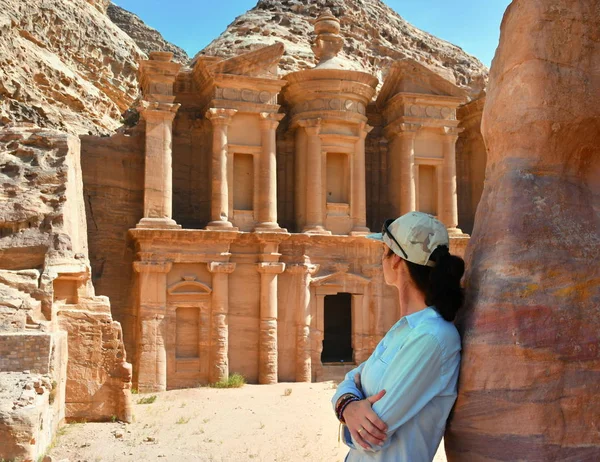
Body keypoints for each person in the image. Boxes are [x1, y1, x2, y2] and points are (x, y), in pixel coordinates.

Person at [332, 211, 465, 462]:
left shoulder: (433, 338)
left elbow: (370, 434)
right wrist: (348, 405)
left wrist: (348, 410)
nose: (381, 259)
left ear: (396, 260)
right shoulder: (405, 329)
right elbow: (352, 378)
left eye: (384, 251)